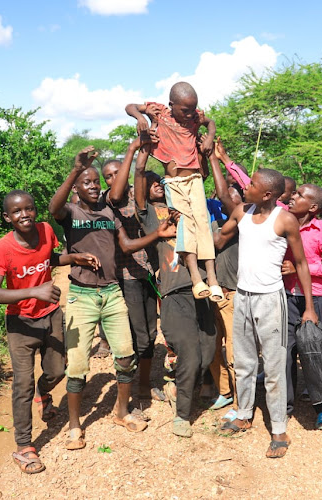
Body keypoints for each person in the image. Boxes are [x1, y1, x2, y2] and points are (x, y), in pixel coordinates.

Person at [48, 145, 176, 449]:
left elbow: (128, 245)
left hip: (112, 291)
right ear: (77, 188)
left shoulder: (108, 212)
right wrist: (76, 169)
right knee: (78, 365)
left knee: (125, 355)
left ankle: (121, 411)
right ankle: (75, 426)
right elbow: (54, 207)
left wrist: (157, 235)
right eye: (87, 182)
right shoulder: (72, 212)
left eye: (96, 182)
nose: (94, 186)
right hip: (81, 295)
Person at [0, 190, 99, 474]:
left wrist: (75, 257)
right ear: (7, 217)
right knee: (21, 384)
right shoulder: (2, 248)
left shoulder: (46, 231)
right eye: (17, 211)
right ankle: (25, 446)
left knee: (58, 370)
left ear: (36, 211)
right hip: (20, 324)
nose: (25, 215)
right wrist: (35, 290)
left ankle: (43, 393)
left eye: (29, 209)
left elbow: (50, 259)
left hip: (51, 316)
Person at [218, 167, 318, 459]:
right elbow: (218, 240)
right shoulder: (241, 213)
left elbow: (300, 263)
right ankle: (244, 414)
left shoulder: (284, 220)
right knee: (245, 361)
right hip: (244, 297)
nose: (246, 187)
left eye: (252, 185)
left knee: (274, 367)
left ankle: (278, 429)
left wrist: (309, 307)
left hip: (270, 300)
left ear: (268, 194)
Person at [133, 141, 217, 438]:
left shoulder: (193, 212)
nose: (158, 186)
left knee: (208, 351)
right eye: (154, 184)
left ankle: (176, 384)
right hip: (173, 297)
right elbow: (140, 187)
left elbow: (199, 177)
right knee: (190, 354)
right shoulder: (153, 218)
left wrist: (201, 150)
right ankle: (182, 414)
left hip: (202, 293)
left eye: (162, 183)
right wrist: (143, 150)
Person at [126, 82, 222, 302]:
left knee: (202, 224)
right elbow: (130, 106)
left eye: (193, 109)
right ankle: (197, 278)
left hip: (195, 178)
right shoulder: (160, 112)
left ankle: (213, 280)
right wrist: (140, 118)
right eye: (184, 110)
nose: (189, 114)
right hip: (174, 181)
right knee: (185, 225)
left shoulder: (195, 117)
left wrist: (209, 136)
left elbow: (211, 122)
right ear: (171, 105)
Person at [282, 183, 322, 430]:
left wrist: (304, 268)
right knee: (285, 354)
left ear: (313, 206)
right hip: (285, 298)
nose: (292, 197)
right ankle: (284, 407)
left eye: (299, 195)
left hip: (315, 299)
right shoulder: (283, 221)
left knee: (317, 354)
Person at [104, 145, 159, 401]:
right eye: (109, 175)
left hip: (148, 272)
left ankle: (145, 385)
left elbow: (140, 171)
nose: (114, 177)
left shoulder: (139, 195)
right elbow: (116, 194)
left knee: (150, 333)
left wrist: (144, 148)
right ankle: (128, 391)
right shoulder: (108, 201)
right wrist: (131, 151)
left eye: (117, 172)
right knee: (136, 338)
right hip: (127, 277)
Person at [205, 141, 247, 419]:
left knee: (233, 351)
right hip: (214, 290)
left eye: (235, 191)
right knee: (212, 345)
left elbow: (217, 242)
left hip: (233, 293)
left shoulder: (244, 219)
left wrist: (215, 158)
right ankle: (224, 391)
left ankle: (239, 404)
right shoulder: (220, 220)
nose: (227, 196)